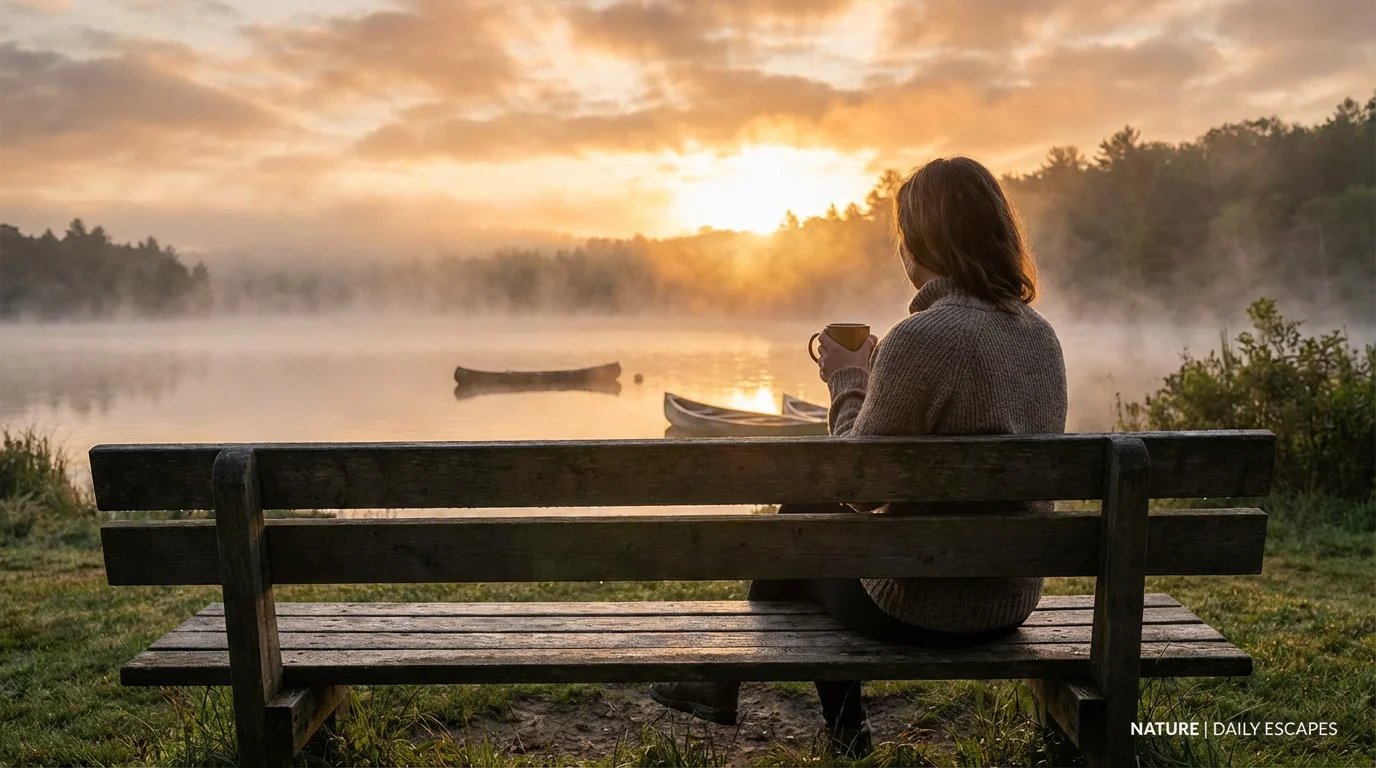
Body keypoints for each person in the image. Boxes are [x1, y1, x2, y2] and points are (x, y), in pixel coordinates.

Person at [648, 156, 1069, 757]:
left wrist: (848, 380)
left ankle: (809, 717)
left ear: (920, 243)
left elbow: (858, 485)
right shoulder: (1041, 338)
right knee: (806, 512)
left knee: (803, 528)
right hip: (1008, 601)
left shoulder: (919, 340)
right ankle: (762, 699)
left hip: (921, 609)